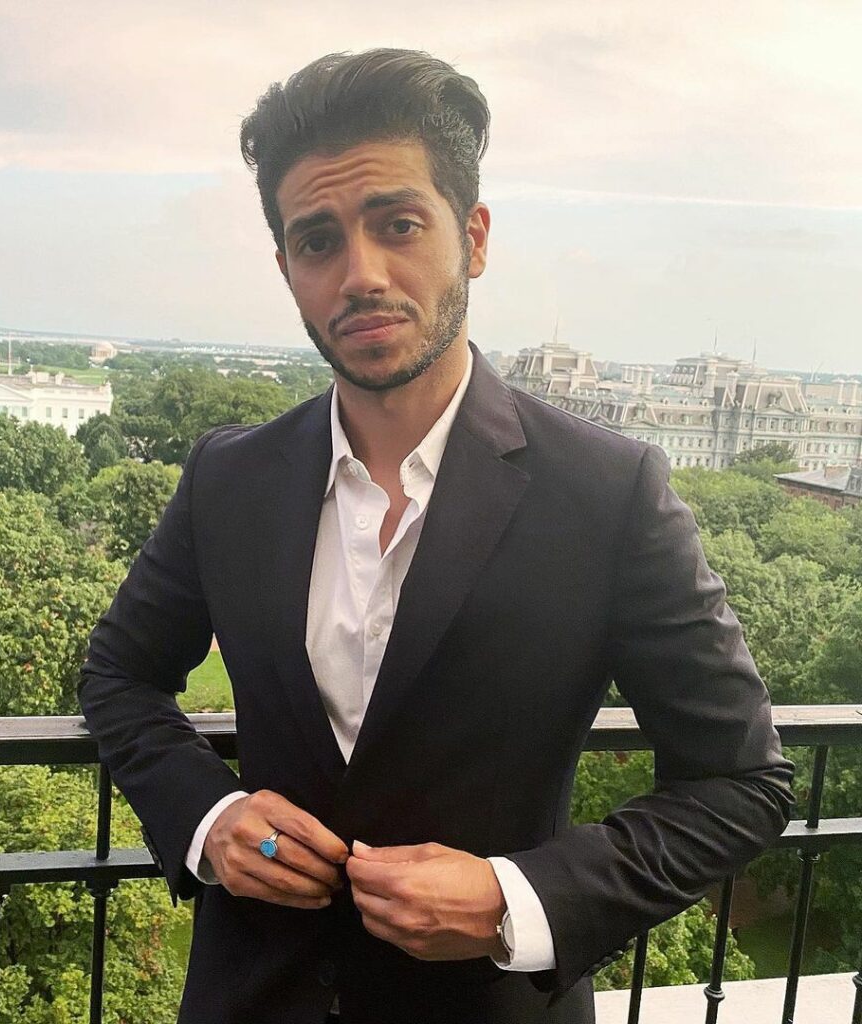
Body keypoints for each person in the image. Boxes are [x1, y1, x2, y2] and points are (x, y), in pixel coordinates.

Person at [78, 48, 794, 1024]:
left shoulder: (607, 493)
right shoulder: (228, 478)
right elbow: (118, 673)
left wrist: (516, 897)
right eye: (317, 240)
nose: (360, 273)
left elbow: (739, 782)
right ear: (286, 267)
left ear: (475, 236)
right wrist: (210, 816)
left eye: (398, 224)